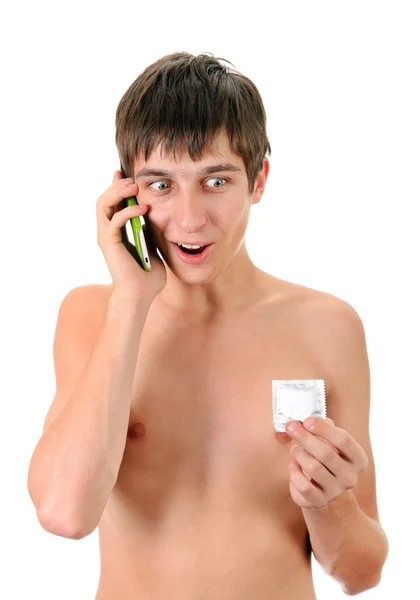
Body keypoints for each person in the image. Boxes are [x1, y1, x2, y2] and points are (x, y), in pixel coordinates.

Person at [27, 51, 388, 598]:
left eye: (216, 182)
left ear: (259, 180)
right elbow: (63, 513)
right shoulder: (92, 315)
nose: (191, 219)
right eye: (162, 185)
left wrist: (330, 502)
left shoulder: (328, 325)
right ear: (126, 191)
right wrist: (132, 299)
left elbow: (362, 572)